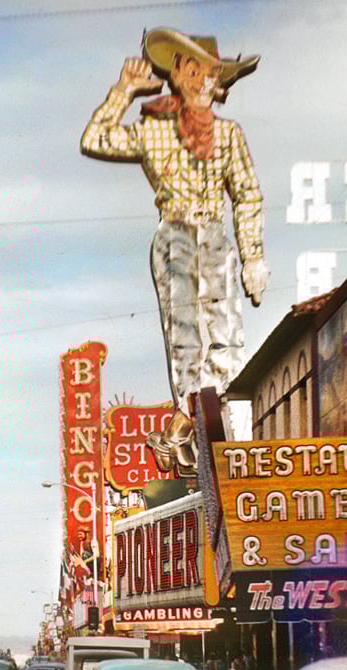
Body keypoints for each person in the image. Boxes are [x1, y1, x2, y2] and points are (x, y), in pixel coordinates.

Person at [81, 28, 269, 406]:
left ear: (219, 81)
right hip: (174, 233)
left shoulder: (229, 134)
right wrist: (124, 91)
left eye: (210, 73)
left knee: (227, 333)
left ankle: (206, 425)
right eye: (193, 71)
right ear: (177, 76)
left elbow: (247, 196)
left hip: (215, 232)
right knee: (184, 335)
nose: (202, 81)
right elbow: (95, 140)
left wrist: (253, 258)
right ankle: (192, 417)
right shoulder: (154, 129)